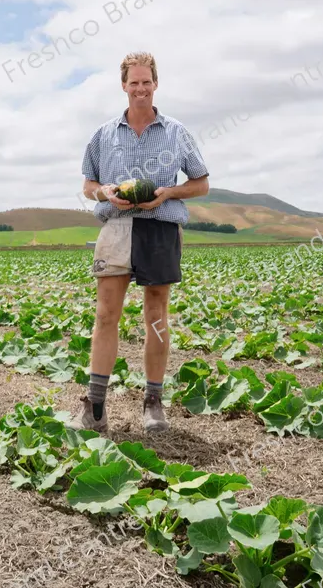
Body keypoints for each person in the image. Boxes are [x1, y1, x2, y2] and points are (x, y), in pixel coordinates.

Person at [75, 52, 210, 432]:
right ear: (123, 85)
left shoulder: (176, 132)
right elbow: (87, 185)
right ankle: (95, 408)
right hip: (117, 226)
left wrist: (167, 193)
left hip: (160, 228)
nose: (140, 89)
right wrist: (104, 192)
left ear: (155, 84)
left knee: (155, 317)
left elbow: (201, 184)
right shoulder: (103, 134)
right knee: (106, 316)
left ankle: (153, 402)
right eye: (133, 82)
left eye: (146, 82)